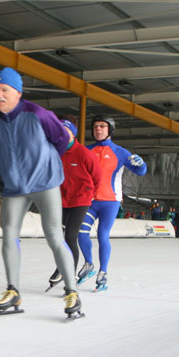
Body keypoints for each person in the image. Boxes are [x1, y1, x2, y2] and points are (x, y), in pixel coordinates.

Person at [0, 67, 83, 320]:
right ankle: (13, 290)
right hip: (15, 187)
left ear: (18, 93)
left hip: (45, 182)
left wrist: (45, 163)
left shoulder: (38, 114)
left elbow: (61, 140)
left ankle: (72, 292)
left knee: (54, 235)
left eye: (5, 90)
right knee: (9, 235)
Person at [77, 115, 147, 290]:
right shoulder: (87, 150)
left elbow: (140, 172)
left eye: (102, 126)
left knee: (102, 235)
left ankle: (103, 272)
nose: (98, 129)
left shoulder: (120, 152)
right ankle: (89, 264)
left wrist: (141, 164)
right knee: (81, 232)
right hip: (90, 201)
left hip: (110, 202)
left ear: (110, 130)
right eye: (95, 126)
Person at [46, 119, 101, 291]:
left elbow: (97, 176)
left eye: (66, 130)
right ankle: (61, 268)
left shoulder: (83, 152)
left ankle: (69, 277)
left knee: (70, 236)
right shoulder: (55, 152)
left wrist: (90, 194)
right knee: (59, 237)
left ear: (72, 133)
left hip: (81, 200)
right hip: (62, 200)